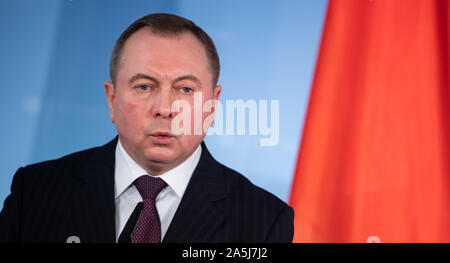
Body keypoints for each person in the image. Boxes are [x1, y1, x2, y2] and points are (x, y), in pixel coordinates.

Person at [0, 13, 294, 243]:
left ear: (213, 106)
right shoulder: (36, 193)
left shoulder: (263, 220)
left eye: (186, 89)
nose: (164, 108)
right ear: (112, 98)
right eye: (144, 86)